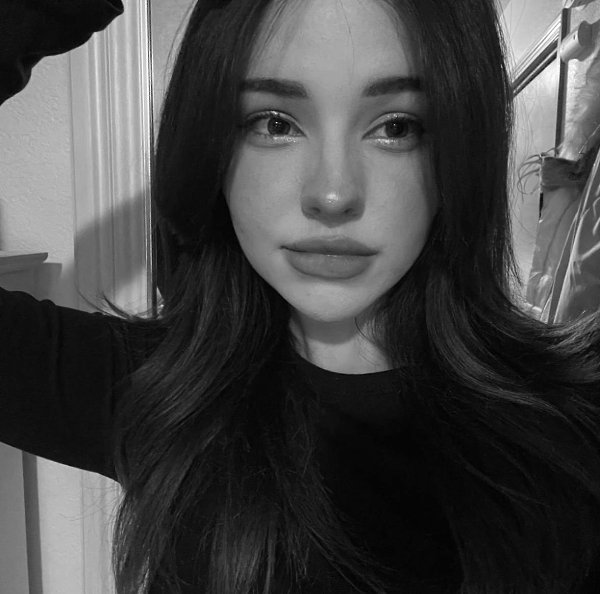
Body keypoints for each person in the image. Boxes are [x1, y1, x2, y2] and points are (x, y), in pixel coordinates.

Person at [2, 0, 600, 593]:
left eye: (397, 127)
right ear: (210, 149)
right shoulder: (156, 390)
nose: (333, 195)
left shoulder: (572, 425)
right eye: (274, 124)